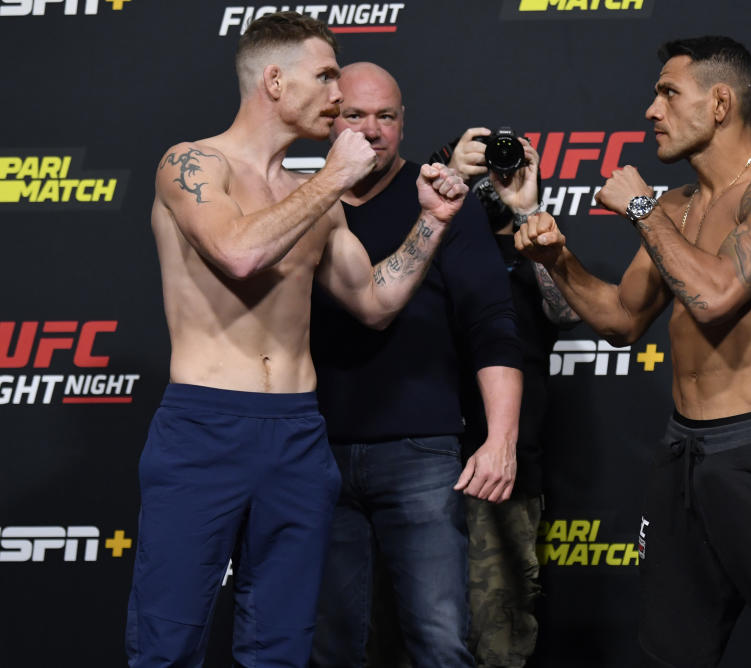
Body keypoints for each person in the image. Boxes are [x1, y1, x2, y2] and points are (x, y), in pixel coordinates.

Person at [125, 12, 468, 667]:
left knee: (281, 646)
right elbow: (237, 253)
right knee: (167, 645)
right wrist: (332, 178)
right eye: (326, 77)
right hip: (206, 428)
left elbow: (376, 301)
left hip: (298, 434)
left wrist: (431, 223)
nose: (340, 98)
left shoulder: (313, 196)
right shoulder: (194, 164)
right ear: (275, 81)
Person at [514, 36, 751, 667]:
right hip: (682, 455)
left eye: (669, 92)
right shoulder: (677, 207)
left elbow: (715, 295)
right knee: (672, 653)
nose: (651, 109)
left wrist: (641, 207)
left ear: (721, 103)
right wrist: (556, 261)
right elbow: (622, 321)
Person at [308, 62, 523, 668]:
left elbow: (493, 327)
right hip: (310, 452)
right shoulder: (300, 202)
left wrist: (501, 438)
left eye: (387, 116)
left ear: (404, 123)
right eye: (354, 115)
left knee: (439, 642)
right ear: (329, 119)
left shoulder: (444, 200)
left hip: (420, 454)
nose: (372, 130)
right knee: (328, 646)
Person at [442, 128, 579, 667]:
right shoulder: (431, 236)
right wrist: (453, 184)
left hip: (507, 474)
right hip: (420, 463)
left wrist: (528, 211)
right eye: (484, 159)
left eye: (509, 160)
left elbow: (567, 313)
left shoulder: (537, 242)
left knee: (500, 638)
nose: (497, 169)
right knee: (407, 636)